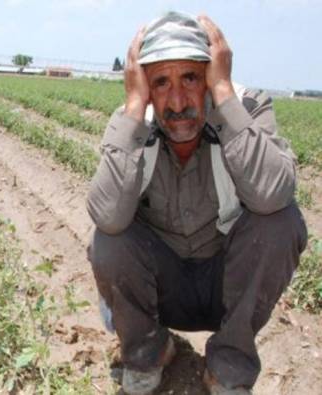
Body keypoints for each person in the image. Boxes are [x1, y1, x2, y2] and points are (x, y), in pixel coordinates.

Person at [86, 11, 307, 395]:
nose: (176, 101)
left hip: (226, 287)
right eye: (160, 83)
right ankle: (148, 351)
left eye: (190, 77)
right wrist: (136, 106)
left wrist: (223, 96)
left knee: (281, 221)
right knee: (109, 239)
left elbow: (274, 193)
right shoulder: (132, 123)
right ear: (144, 87)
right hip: (163, 287)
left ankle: (229, 366)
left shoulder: (247, 108)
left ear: (210, 75)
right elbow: (106, 216)